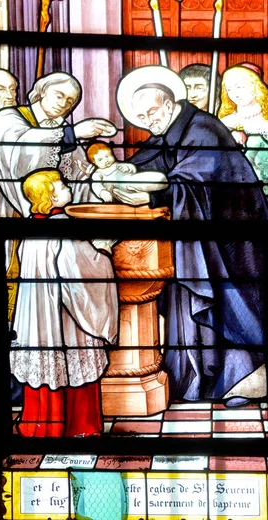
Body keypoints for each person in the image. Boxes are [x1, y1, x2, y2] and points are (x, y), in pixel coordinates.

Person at [115, 65, 268, 406]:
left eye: (152, 112)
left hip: (232, 241)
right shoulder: (171, 129)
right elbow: (152, 160)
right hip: (200, 239)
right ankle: (195, 382)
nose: (149, 120)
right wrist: (127, 170)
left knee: (232, 304)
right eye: (141, 117)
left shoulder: (202, 127)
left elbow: (194, 178)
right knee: (191, 302)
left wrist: (151, 195)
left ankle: (243, 380)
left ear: (169, 102)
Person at [11, 169, 118, 437]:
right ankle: (78, 428)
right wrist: (103, 250)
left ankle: (41, 427)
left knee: (48, 368)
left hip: (40, 318)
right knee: (72, 365)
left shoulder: (32, 228)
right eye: (62, 185)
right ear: (51, 197)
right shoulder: (63, 229)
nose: (68, 187)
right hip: (65, 318)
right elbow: (83, 273)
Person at [0, 71, 118, 218]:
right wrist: (72, 133)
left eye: (70, 101)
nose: (63, 104)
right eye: (59, 96)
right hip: (11, 215)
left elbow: (78, 177)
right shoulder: (8, 117)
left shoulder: (63, 128)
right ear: (42, 92)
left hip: (56, 217)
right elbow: (19, 149)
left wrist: (97, 183)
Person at [218, 63, 268, 196]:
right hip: (238, 188)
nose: (235, 94)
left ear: (256, 86)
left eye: (240, 87)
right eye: (229, 89)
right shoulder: (226, 122)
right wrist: (229, 136)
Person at [82, 142, 167, 203]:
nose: (106, 160)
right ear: (94, 162)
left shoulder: (118, 164)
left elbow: (133, 169)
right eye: (100, 159)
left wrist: (128, 167)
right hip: (118, 191)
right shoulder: (98, 173)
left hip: (131, 180)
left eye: (107, 156)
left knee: (140, 180)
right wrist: (102, 192)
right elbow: (96, 184)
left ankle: (161, 182)